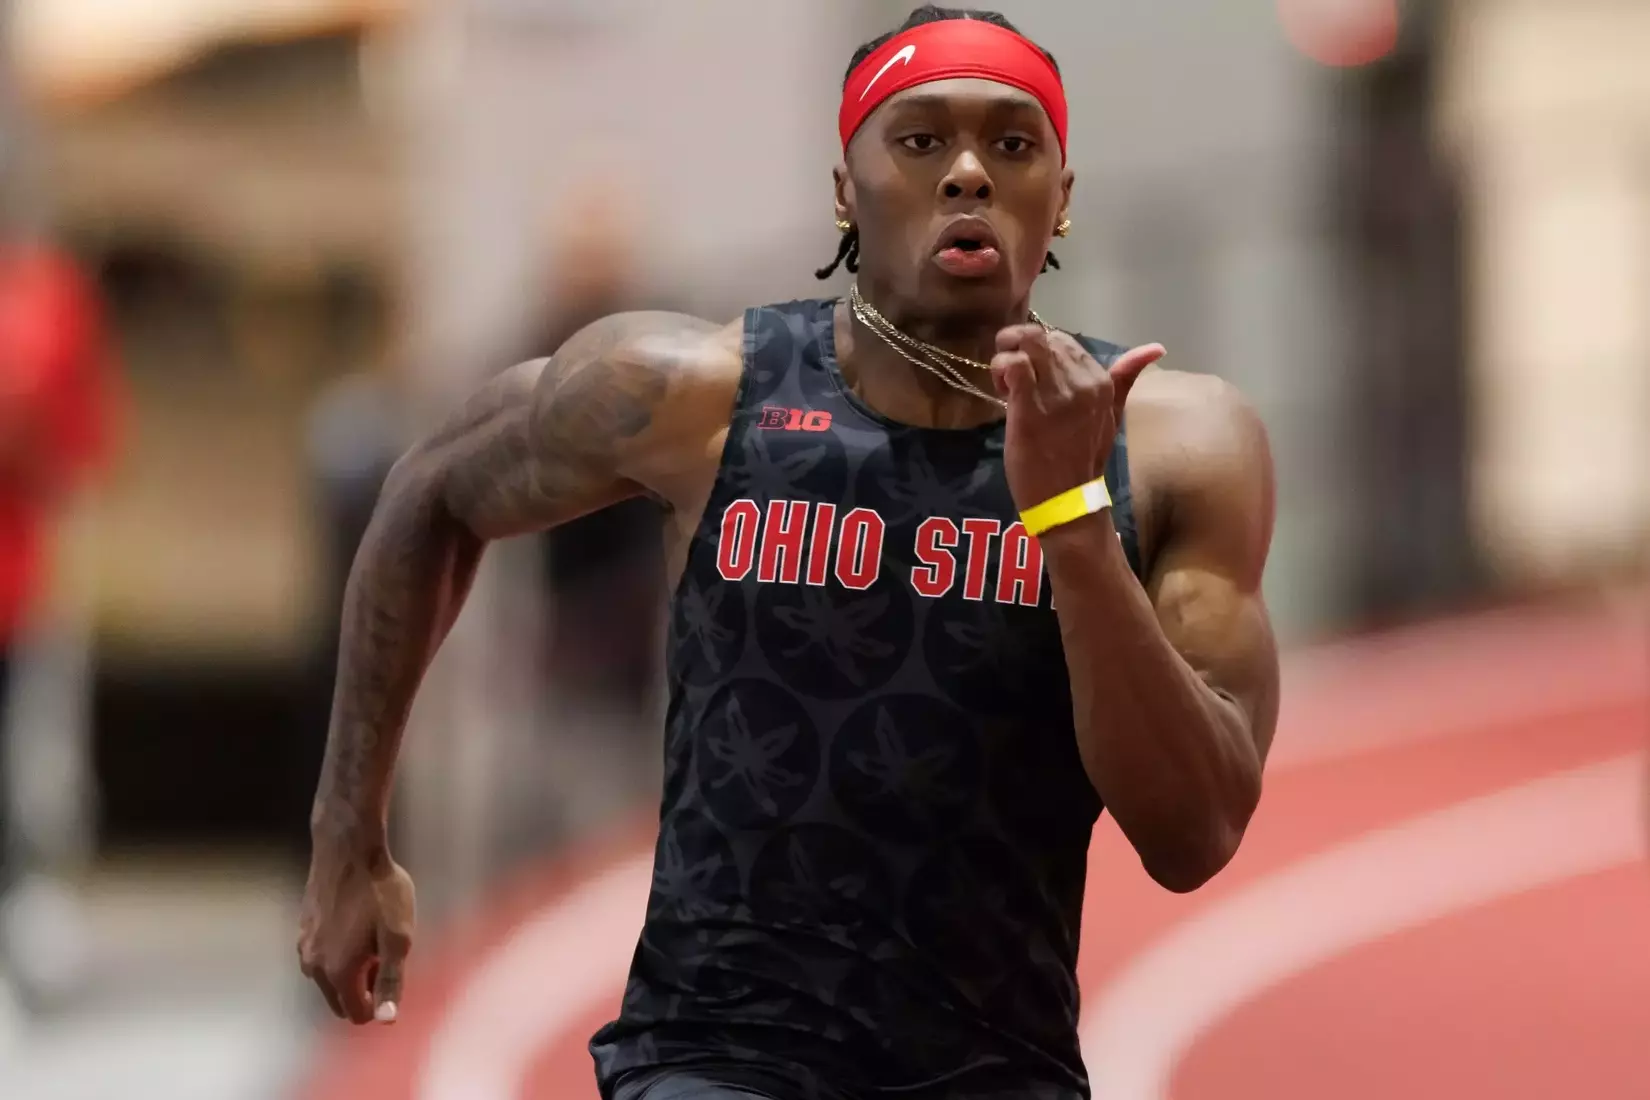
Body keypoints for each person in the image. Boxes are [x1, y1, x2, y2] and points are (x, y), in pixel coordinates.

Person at [297, 7, 1281, 1099]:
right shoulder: (700, 396)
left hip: (995, 1066)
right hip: (715, 1052)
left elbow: (1194, 832)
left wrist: (1072, 519)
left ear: (1062, 197)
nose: (968, 173)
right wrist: (349, 837)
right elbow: (430, 487)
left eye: (1012, 144)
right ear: (844, 191)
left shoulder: (1178, 447)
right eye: (919, 141)